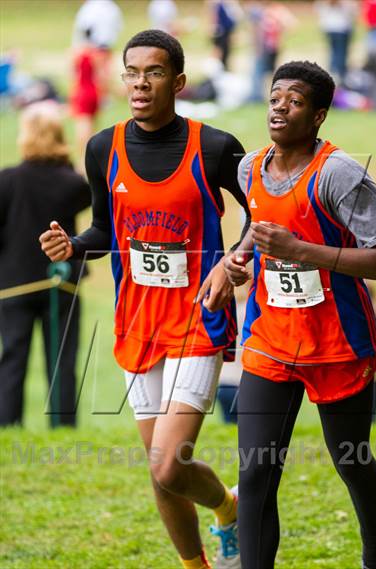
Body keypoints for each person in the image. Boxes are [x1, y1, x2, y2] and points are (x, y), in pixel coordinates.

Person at [40, 29, 250, 569]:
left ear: (177, 82)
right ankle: (197, 563)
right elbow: (105, 231)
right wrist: (73, 246)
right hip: (137, 323)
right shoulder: (101, 147)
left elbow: (262, 213)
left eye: (153, 72)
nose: (139, 82)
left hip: (198, 320)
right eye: (131, 72)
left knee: (167, 463)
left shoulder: (215, 147)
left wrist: (232, 264)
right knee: (159, 468)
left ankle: (229, 507)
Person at [224, 61, 376, 569]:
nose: (280, 106)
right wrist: (240, 260)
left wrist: (301, 250)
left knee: (352, 460)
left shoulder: (338, 174)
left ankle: (375, 551)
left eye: (295, 100)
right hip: (270, 341)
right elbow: (256, 229)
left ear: (319, 114)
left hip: (337, 343)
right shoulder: (250, 167)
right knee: (256, 471)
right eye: (275, 96)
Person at [0, 101, 91, 427]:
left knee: (12, 357)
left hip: (14, 283)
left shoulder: (7, 180)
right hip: (61, 283)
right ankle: (63, 426)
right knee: (62, 360)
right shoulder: (71, 183)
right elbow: (86, 191)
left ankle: (7, 424)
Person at [70, 28, 101, 173]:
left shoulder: (76, 53)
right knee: (93, 126)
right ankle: (92, 159)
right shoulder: (96, 53)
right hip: (94, 90)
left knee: (82, 127)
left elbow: (72, 75)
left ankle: (82, 161)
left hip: (82, 91)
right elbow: (101, 75)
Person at [315, 0, 357, 84]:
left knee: (334, 51)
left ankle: (333, 72)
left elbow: (319, 10)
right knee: (341, 53)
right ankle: (339, 75)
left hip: (329, 28)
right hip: (341, 28)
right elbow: (352, 12)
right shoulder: (345, 3)